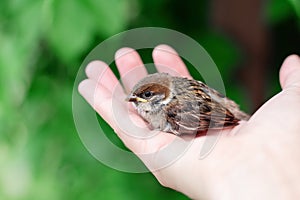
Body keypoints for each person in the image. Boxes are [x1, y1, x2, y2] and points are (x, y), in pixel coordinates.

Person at [79, 44, 300, 199]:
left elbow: (210, 114)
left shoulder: (174, 109)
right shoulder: (170, 92)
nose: (136, 101)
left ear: (161, 96)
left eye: (145, 96)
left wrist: (233, 122)